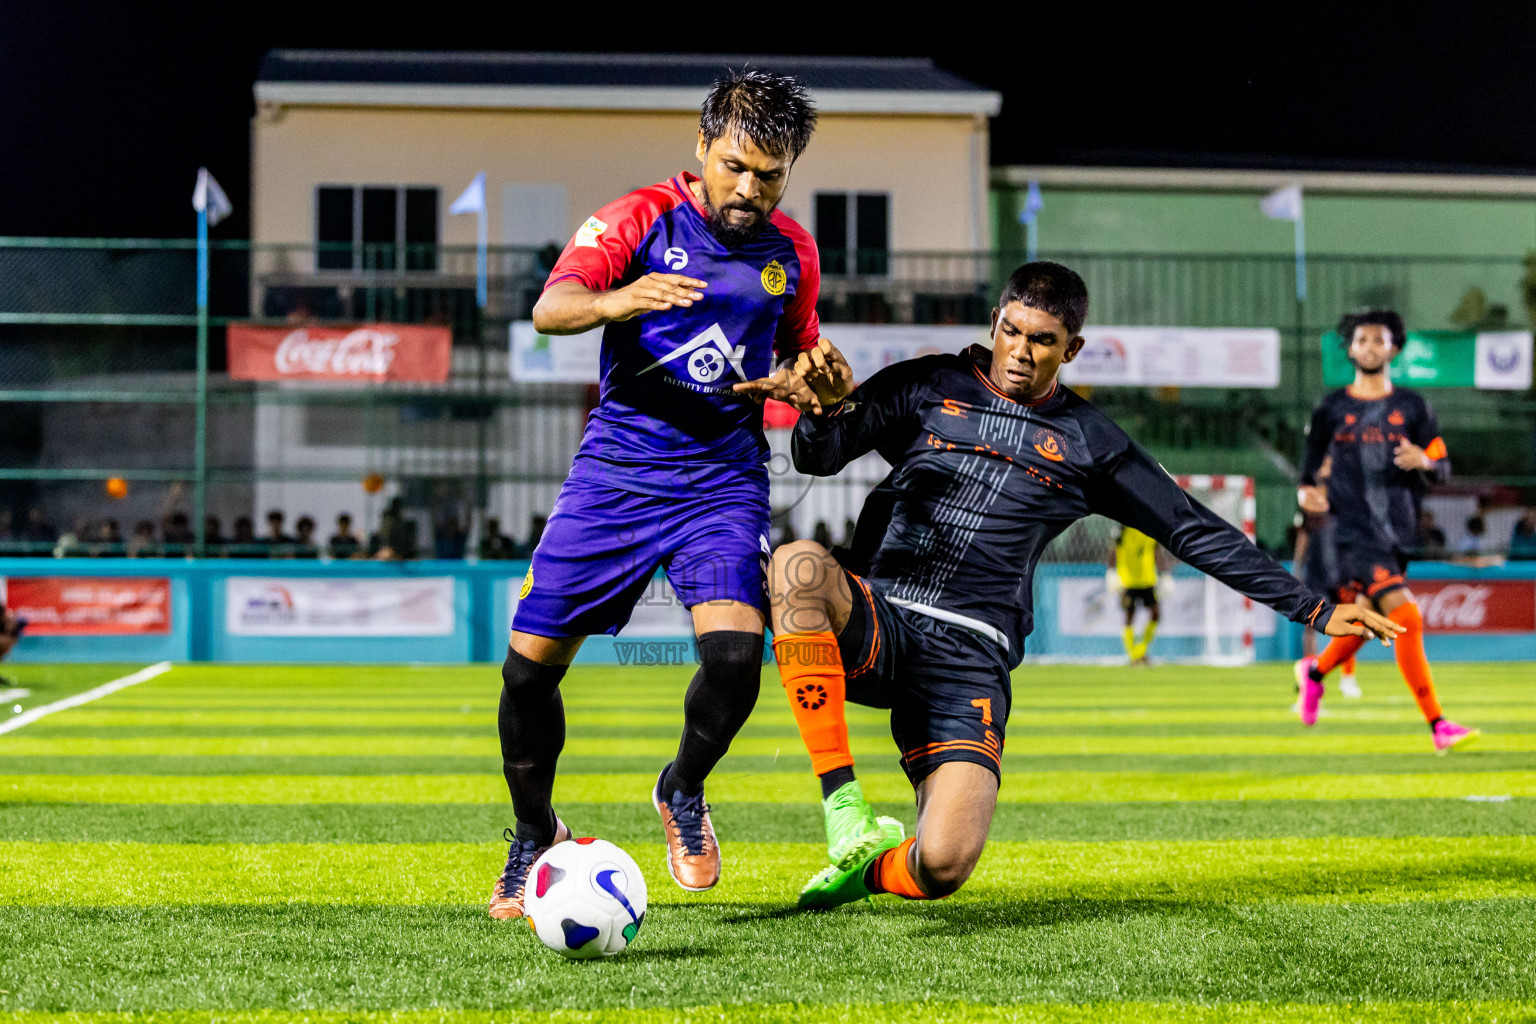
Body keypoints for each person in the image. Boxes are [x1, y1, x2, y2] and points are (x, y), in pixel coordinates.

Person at [763, 262, 1404, 911]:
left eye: (1042, 340)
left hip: (970, 658)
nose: (1021, 350)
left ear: (1071, 349)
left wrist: (1316, 609)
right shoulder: (930, 383)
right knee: (797, 567)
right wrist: (827, 408)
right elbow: (820, 455)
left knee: (944, 865)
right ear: (995, 323)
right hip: (884, 617)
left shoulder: (1089, 441)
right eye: (1012, 331)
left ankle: (868, 870)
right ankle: (846, 810)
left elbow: (1193, 530)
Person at [489, 68, 827, 920]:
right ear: (702, 149)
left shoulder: (793, 253)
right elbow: (550, 307)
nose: (749, 189)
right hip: (617, 473)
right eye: (735, 166)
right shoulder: (637, 219)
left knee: (735, 661)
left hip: (723, 479)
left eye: (770, 174)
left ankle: (681, 788)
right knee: (528, 676)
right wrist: (621, 298)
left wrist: (812, 379)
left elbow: (796, 360)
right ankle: (534, 833)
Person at [1295, 309, 1476, 752]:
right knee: (1406, 617)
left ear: (1394, 347)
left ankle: (1315, 673)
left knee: (1365, 623)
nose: (1371, 347)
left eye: (1380, 340)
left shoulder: (1414, 408)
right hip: (1349, 531)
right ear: (1350, 349)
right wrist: (1305, 493)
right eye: (1362, 340)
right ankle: (1438, 725)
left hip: (1396, 532)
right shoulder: (1332, 408)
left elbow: (1443, 465)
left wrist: (1427, 462)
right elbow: (1307, 466)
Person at [1291, 461, 1360, 697]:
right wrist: (1297, 568)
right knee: (1310, 626)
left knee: (1348, 624)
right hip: (1316, 572)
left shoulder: (1345, 502)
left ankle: (1348, 677)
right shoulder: (1309, 504)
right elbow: (1303, 536)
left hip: (1342, 572)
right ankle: (1309, 673)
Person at [1106, 526, 1164, 664]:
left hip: (1147, 580)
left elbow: (1157, 552)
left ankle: (1141, 651)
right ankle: (1133, 654)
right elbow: (1112, 552)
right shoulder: (1122, 530)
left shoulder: (1151, 529)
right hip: (1128, 581)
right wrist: (1110, 572)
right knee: (1129, 615)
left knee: (1155, 614)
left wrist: (1165, 574)